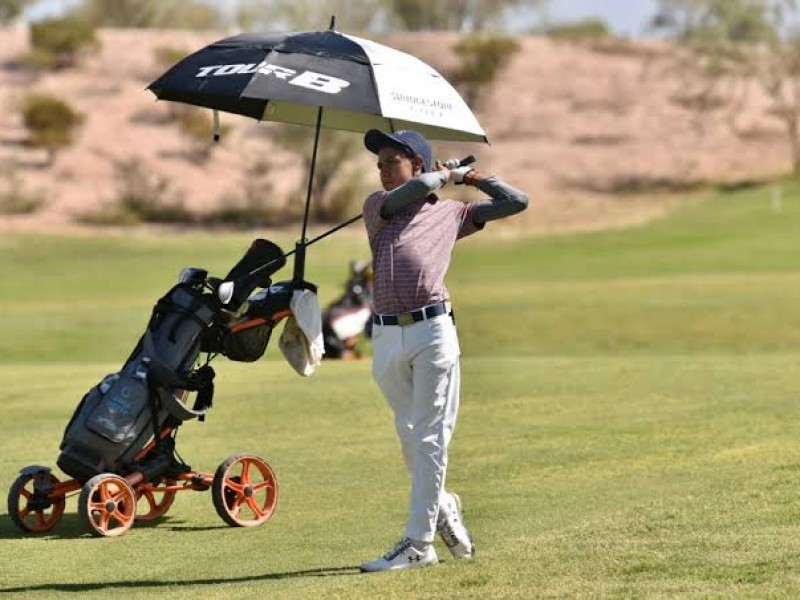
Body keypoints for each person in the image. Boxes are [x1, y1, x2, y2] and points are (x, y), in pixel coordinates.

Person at [359, 129, 529, 572]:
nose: (381, 169)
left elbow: (517, 202)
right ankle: (445, 505)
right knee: (410, 438)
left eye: (391, 160)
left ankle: (419, 544)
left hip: (432, 331)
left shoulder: (452, 214)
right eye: (378, 163)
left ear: (417, 162)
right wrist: (441, 175)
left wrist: (470, 177)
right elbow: (414, 191)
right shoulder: (378, 206)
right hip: (386, 335)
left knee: (431, 438)